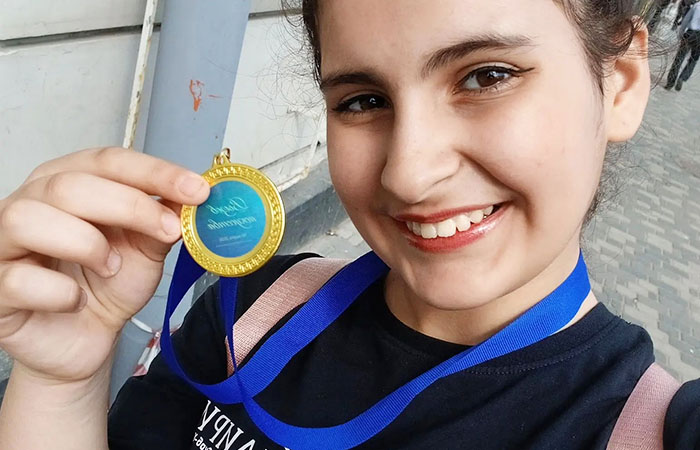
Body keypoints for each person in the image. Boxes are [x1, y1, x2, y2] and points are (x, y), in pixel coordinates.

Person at [0, 0, 698, 449]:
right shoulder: (250, 316)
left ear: (620, 84)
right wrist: (60, 382)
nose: (408, 174)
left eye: (486, 76)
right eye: (363, 100)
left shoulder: (649, 429)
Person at [666, 1, 700, 90]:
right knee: (693, 60)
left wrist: (680, 34)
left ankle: (670, 82)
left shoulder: (697, 5)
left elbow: (686, 20)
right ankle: (682, 77)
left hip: (690, 34)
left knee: (679, 58)